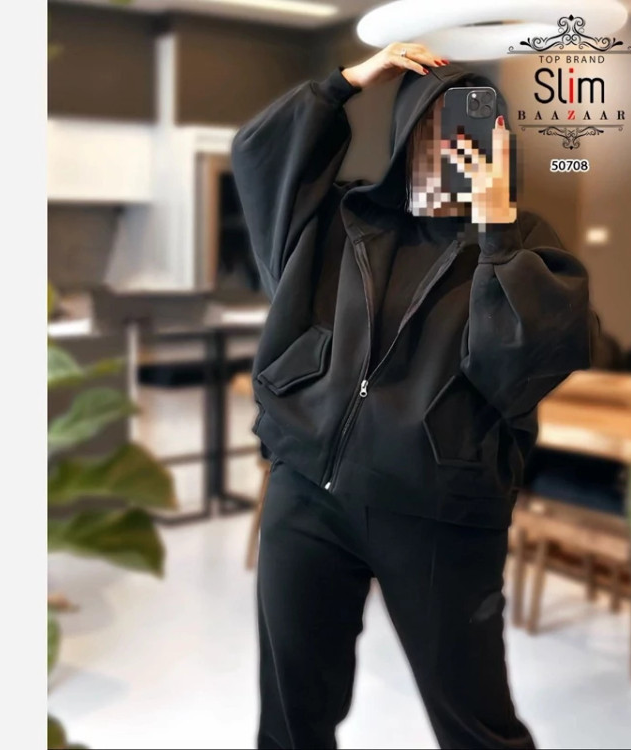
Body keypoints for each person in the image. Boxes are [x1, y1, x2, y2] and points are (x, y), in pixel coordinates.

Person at [231, 42, 600, 750]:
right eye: (435, 128)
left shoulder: (524, 245)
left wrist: (495, 231)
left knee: (476, 726)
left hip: (440, 512)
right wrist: (346, 83)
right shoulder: (342, 219)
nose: (453, 147)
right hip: (308, 494)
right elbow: (259, 155)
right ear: (406, 134)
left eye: (474, 130)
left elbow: (522, 367)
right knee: (291, 716)